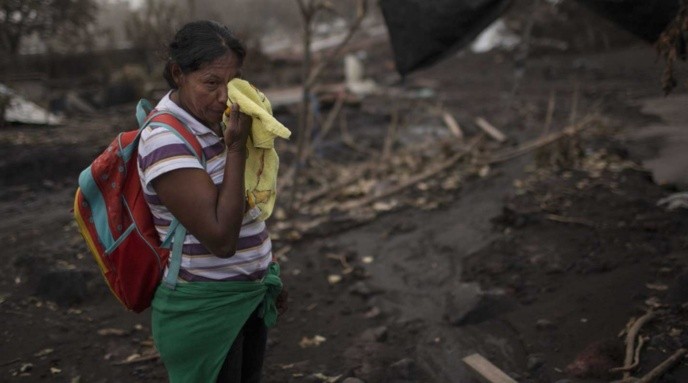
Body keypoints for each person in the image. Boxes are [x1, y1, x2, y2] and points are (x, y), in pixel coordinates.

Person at [136, 20, 286, 383]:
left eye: (230, 82)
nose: (223, 97)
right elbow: (221, 239)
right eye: (210, 83)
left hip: (244, 296)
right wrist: (235, 148)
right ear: (178, 74)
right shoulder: (164, 140)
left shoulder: (213, 122)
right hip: (205, 307)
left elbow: (244, 207)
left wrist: (264, 268)